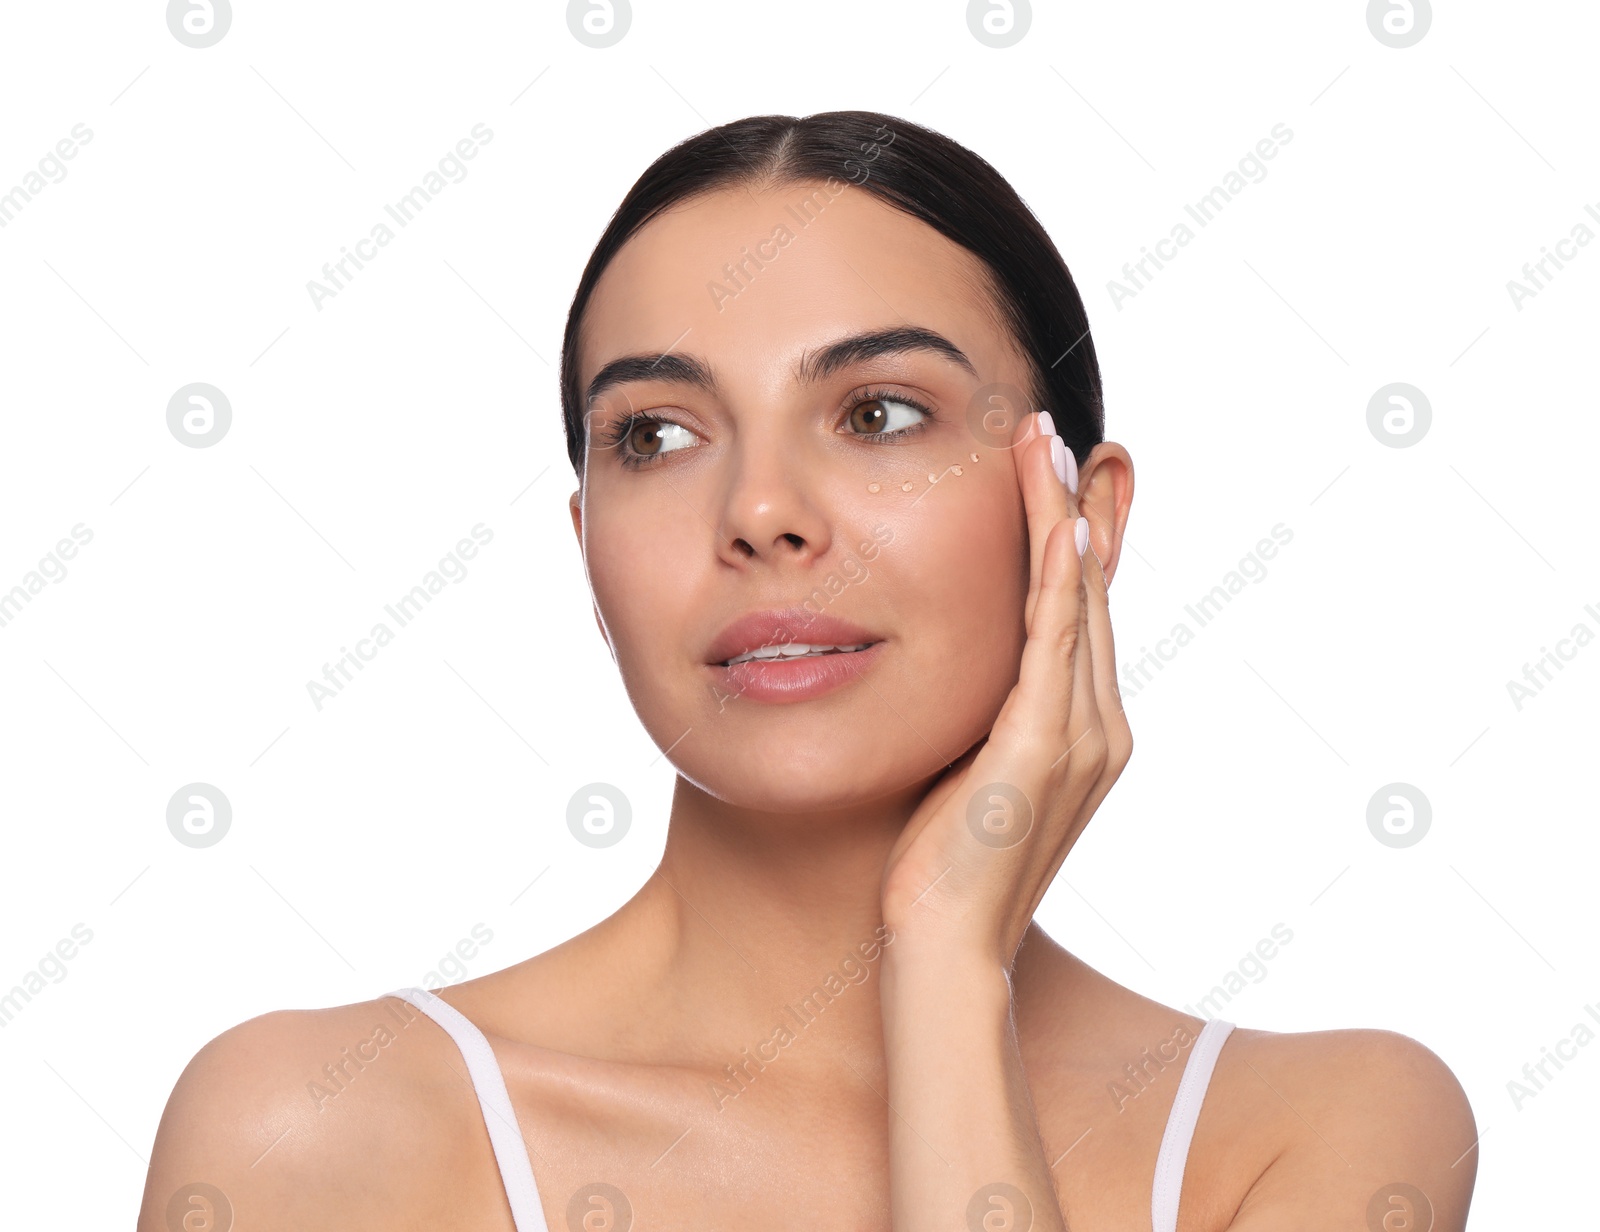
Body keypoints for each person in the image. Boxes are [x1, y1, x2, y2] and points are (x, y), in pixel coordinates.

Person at [139, 110, 1477, 1231]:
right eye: (656, 435)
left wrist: (949, 965)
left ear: (1084, 515)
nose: (761, 510)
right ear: (589, 546)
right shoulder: (312, 1130)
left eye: (881, 413)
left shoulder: (1316, 1133)